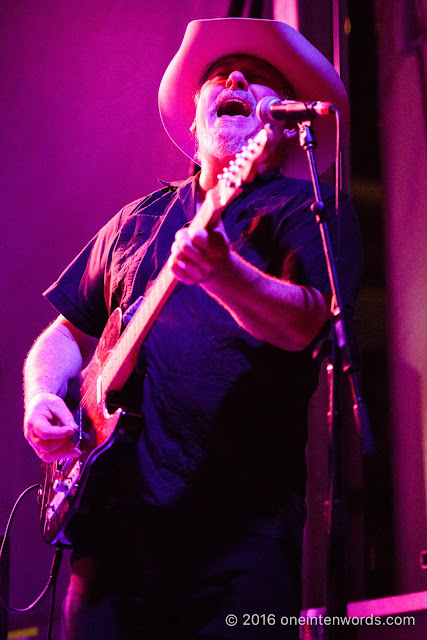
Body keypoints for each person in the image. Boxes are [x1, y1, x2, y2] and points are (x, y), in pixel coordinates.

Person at [23, 17, 362, 640]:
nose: (234, 77)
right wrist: (43, 394)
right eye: (219, 76)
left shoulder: (305, 210)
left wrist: (224, 274)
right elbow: (63, 333)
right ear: (195, 121)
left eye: (257, 78)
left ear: (283, 123)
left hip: (242, 538)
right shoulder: (137, 221)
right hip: (113, 542)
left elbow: (306, 323)